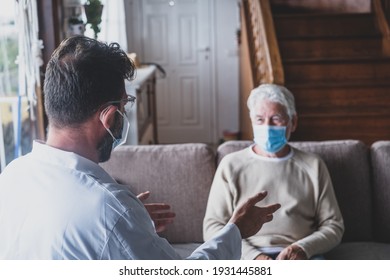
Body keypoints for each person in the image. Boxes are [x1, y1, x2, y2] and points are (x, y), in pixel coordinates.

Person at [0, 36, 280, 260]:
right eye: (125, 105)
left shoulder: (12, 175)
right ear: (109, 116)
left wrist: (130, 230)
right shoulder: (109, 209)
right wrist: (235, 231)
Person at [203, 83, 344, 260]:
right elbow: (212, 227)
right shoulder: (231, 165)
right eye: (260, 120)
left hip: (301, 256)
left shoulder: (314, 165)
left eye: (276, 119)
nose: (267, 127)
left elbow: (334, 225)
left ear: (293, 123)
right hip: (245, 257)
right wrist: (255, 257)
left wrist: (302, 248)